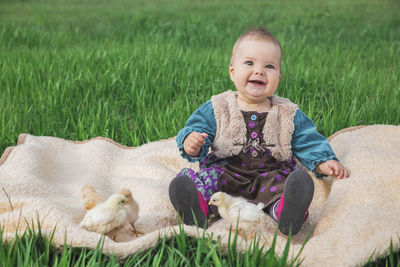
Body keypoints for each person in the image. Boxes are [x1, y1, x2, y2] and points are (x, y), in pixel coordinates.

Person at [168, 27, 350, 235]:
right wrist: (191, 142)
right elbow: (195, 128)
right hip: (226, 172)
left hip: (269, 175)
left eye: (269, 66)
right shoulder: (218, 107)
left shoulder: (287, 112)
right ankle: (196, 207)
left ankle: (286, 212)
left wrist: (323, 161)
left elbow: (308, 139)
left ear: (278, 77)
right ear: (232, 71)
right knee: (201, 181)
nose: (259, 71)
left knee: (288, 183)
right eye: (249, 63)